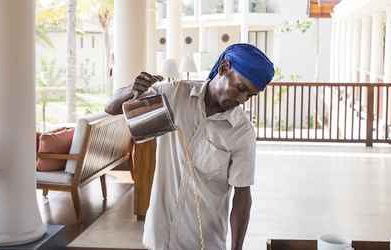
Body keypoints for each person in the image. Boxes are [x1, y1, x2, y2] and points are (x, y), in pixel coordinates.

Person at [105, 43, 274, 250]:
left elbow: (242, 196)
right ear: (224, 68)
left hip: (203, 242)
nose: (241, 99)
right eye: (240, 88)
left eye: (250, 95)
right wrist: (131, 90)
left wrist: (236, 248)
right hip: (159, 237)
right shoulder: (174, 95)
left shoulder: (241, 132)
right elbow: (111, 108)